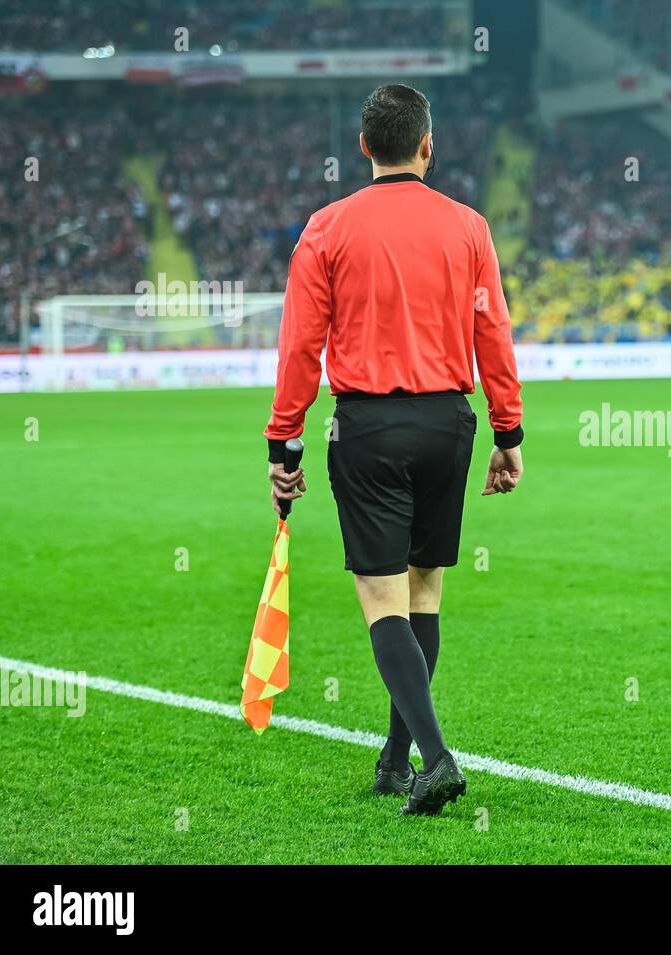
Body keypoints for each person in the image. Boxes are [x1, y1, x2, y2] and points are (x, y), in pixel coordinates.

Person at [263, 85, 524, 817]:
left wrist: (283, 442)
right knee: (424, 594)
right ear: (427, 145)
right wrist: (509, 433)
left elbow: (300, 348)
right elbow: (493, 334)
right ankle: (394, 759)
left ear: (363, 146)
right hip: (449, 425)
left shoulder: (326, 228)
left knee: (383, 599)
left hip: (367, 426)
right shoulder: (468, 226)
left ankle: (436, 758)